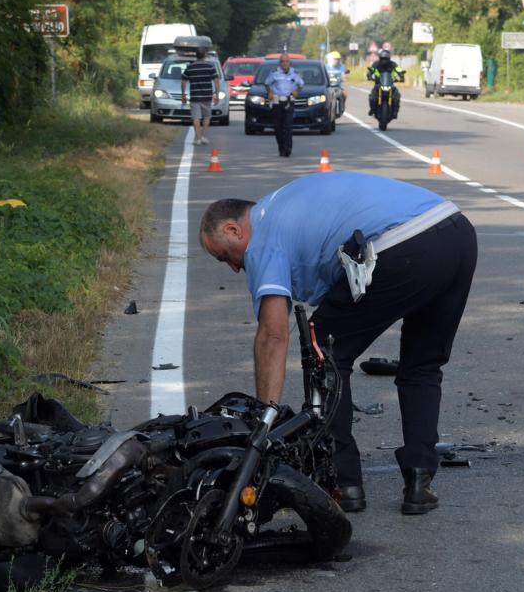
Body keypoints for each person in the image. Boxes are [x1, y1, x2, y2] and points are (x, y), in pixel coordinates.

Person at [198, 172, 477, 515]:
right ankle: (420, 480)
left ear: (232, 230)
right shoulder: (283, 204)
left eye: (225, 256)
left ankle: (344, 482)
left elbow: (273, 335)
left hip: (404, 243)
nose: (233, 269)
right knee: (422, 365)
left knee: (323, 352)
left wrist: (263, 420)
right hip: (457, 233)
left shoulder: (263, 236)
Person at [264, 55, 305, 157]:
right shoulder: (274, 73)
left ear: (289, 62)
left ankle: (287, 149)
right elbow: (267, 83)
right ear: (280, 62)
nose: (285, 63)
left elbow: (301, 84)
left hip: (289, 102)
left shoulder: (294, 73)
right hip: (277, 102)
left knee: (287, 126)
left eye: (287, 61)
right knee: (278, 127)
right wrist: (269, 92)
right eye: (282, 61)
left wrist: (297, 91)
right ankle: (281, 148)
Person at [181, 51, 220, 146]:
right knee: (207, 116)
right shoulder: (210, 67)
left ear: (196, 56)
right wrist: (217, 95)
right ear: (205, 56)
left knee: (196, 117)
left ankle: (198, 138)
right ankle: (203, 136)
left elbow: (183, 82)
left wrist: (183, 95)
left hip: (195, 96)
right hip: (207, 96)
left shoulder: (190, 67)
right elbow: (216, 81)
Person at [367, 49, 405, 118]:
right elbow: (371, 70)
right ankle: (372, 109)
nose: (384, 61)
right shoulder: (376, 64)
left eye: (386, 59)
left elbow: (399, 70)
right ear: (380, 58)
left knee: (397, 96)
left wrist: (402, 76)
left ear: (389, 59)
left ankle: (395, 111)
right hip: (378, 84)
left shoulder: (393, 64)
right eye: (382, 59)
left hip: (390, 85)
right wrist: (369, 75)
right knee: (372, 97)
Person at [325, 51, 347, 115]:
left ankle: (342, 105)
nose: (336, 61)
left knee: (345, 94)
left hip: (338, 87)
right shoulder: (326, 67)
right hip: (328, 87)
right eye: (335, 59)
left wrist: (343, 78)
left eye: (338, 59)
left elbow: (343, 76)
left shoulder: (341, 67)